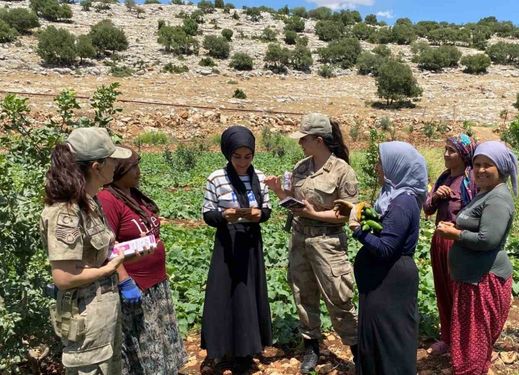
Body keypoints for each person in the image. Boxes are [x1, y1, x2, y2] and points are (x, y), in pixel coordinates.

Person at [264, 113, 358, 374]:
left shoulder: (342, 171)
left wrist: (314, 214)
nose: (300, 144)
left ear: (318, 140)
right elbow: (292, 202)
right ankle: (311, 347)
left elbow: (346, 213)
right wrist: (279, 192)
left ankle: (357, 349)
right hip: (300, 239)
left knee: (339, 297)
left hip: (327, 243)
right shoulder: (301, 167)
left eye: (303, 139)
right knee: (303, 295)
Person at [40, 127, 130, 374]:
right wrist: (108, 269)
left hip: (103, 313)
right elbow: (64, 277)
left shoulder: (90, 201)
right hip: (86, 318)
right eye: (112, 160)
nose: (116, 165)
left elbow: (96, 250)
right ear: (96, 167)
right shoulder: (66, 212)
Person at [97, 148, 187, 375]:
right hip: (136, 286)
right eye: (133, 167)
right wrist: (125, 282)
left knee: (162, 341)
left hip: (156, 284)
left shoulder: (131, 194)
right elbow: (108, 247)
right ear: (118, 170)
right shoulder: (107, 199)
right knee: (144, 346)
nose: (139, 171)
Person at [341, 141, 427, 375]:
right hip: (383, 282)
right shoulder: (395, 198)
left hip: (389, 282)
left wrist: (357, 229)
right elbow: (388, 232)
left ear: (396, 167)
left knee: (390, 339)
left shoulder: (402, 203)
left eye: (382, 162)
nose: (377, 167)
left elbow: (387, 248)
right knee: (382, 337)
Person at [435, 140, 516, 375]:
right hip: (472, 278)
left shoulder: (498, 198)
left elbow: (488, 240)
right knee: (470, 337)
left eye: (487, 165)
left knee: (475, 338)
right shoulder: (485, 192)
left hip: (483, 280)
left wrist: (455, 234)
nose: (480, 170)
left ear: (500, 168)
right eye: (477, 164)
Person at [201, 125, 273, 375]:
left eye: (248, 156)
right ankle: (220, 349)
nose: (243, 162)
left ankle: (245, 351)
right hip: (227, 242)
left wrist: (258, 215)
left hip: (251, 241)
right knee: (223, 293)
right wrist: (224, 216)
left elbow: (267, 210)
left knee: (246, 294)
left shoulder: (260, 178)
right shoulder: (216, 178)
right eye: (237, 156)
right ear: (227, 154)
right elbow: (207, 213)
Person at [423, 134, 476, 356]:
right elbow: (427, 209)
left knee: (459, 293)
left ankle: (462, 341)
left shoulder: (470, 181)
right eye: (445, 149)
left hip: (457, 243)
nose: (446, 154)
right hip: (439, 241)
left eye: (451, 151)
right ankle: (447, 337)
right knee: (442, 289)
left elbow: (476, 214)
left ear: (463, 156)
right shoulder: (444, 178)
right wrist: (435, 197)